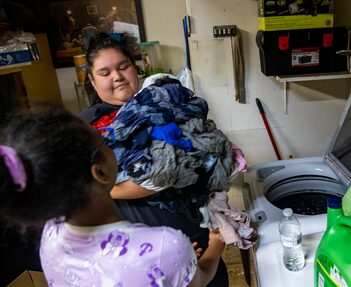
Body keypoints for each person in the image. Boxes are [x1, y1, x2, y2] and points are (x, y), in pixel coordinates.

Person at [0, 107, 225, 286]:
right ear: (100, 172)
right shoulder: (166, 246)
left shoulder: (51, 234)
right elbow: (200, 280)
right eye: (103, 140)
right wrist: (215, 244)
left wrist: (173, 265)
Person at [80, 33, 230, 286]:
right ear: (93, 82)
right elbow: (85, 191)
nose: (117, 76)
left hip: (198, 235)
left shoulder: (169, 105)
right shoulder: (89, 129)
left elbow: (203, 156)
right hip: (144, 254)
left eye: (123, 67)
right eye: (104, 73)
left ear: (135, 69)